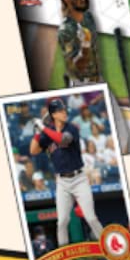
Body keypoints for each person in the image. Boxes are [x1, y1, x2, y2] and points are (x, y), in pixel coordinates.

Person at [30, 97, 103, 249]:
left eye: (64, 110)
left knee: (91, 217)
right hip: (62, 182)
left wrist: (43, 128)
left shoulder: (72, 128)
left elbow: (62, 140)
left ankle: (108, 248)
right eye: (60, 111)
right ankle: (64, 256)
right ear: (53, 115)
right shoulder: (47, 134)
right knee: (62, 221)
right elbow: (33, 150)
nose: (64, 112)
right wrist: (37, 133)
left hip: (79, 179)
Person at [58, 0, 101, 87]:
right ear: (66, 0)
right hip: (80, 83)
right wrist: (85, 47)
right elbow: (75, 67)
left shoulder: (88, 18)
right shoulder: (65, 30)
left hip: (96, 78)